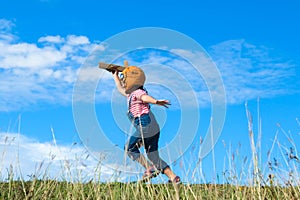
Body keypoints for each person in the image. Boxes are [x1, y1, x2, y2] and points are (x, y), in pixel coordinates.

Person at [111, 65, 180, 184]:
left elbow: (144, 97)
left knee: (130, 148)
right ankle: (173, 178)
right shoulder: (130, 95)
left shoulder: (138, 92)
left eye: (124, 81)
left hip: (145, 125)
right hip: (153, 127)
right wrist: (115, 77)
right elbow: (120, 89)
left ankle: (149, 169)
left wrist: (155, 101)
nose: (123, 83)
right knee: (153, 156)